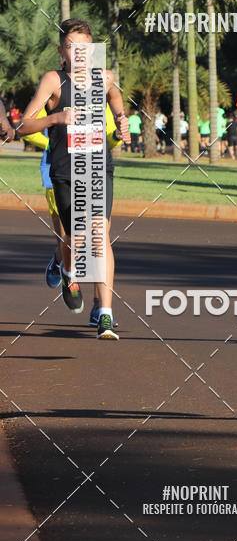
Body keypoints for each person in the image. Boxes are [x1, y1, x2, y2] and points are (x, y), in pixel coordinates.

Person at [18, 18, 130, 339]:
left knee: (100, 235)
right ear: (61, 51)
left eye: (84, 47)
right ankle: (68, 271)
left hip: (99, 167)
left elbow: (115, 98)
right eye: (71, 46)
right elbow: (23, 125)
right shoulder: (54, 81)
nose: (78, 52)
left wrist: (121, 120)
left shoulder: (104, 78)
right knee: (75, 239)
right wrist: (57, 117)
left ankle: (105, 314)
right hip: (66, 170)